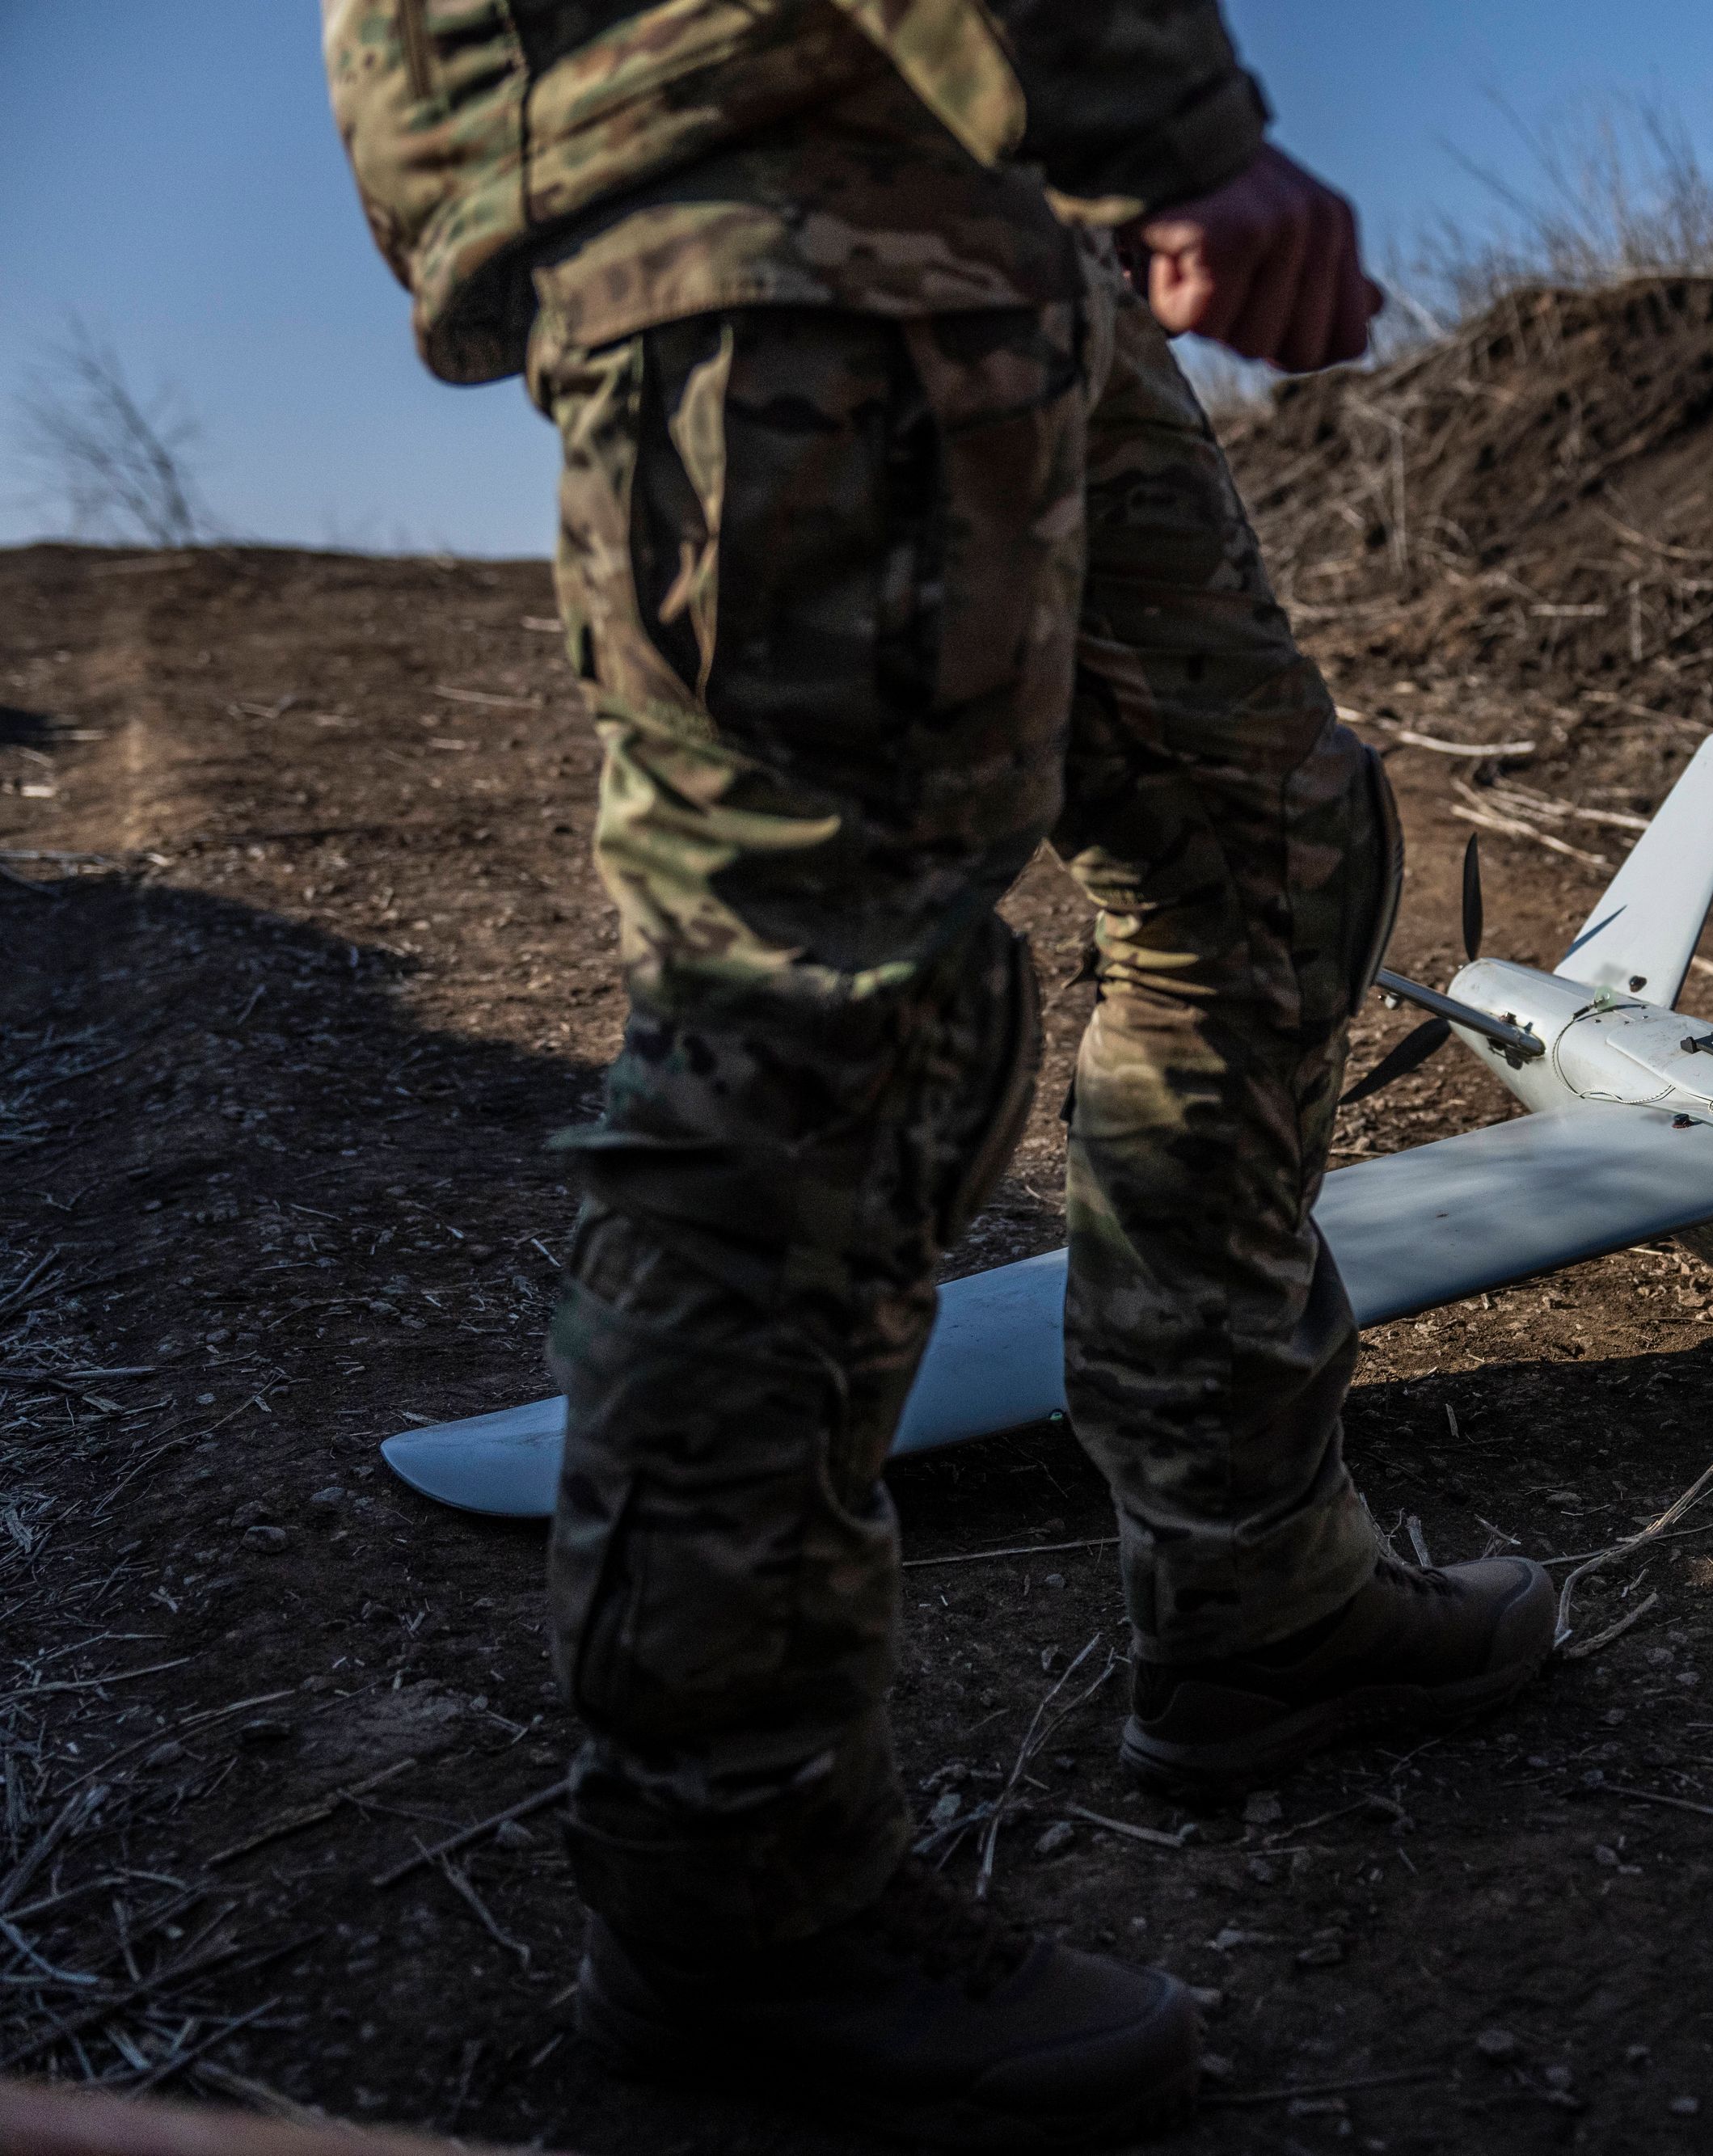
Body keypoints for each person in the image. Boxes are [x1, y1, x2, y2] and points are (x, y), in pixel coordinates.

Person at [321, 3, 1556, 2145]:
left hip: (979, 184)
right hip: (744, 156)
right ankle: (739, 1889)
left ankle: (1255, 1586)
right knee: (833, 1020)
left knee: (1266, 843)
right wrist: (1157, 114)